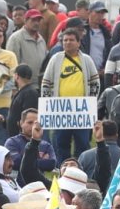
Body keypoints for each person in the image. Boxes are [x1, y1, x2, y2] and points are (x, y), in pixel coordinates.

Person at [41, 30, 101, 161]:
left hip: (82, 110)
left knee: (83, 143)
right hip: (61, 110)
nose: (67, 42)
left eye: (71, 40)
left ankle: (82, 168)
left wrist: (90, 101)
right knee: (61, 143)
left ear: (79, 43)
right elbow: (46, 82)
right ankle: (62, 168)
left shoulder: (86, 60)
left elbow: (95, 82)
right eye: (65, 40)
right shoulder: (55, 59)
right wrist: (49, 104)